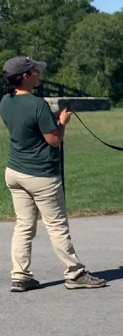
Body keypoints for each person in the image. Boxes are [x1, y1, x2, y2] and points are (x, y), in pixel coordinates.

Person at [2, 55, 106, 291]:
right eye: (35, 71)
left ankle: (20, 274)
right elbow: (53, 140)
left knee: (24, 225)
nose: (39, 74)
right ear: (26, 76)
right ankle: (75, 273)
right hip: (41, 175)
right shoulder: (38, 105)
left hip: (15, 171)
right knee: (57, 225)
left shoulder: (5, 102)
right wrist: (62, 122)